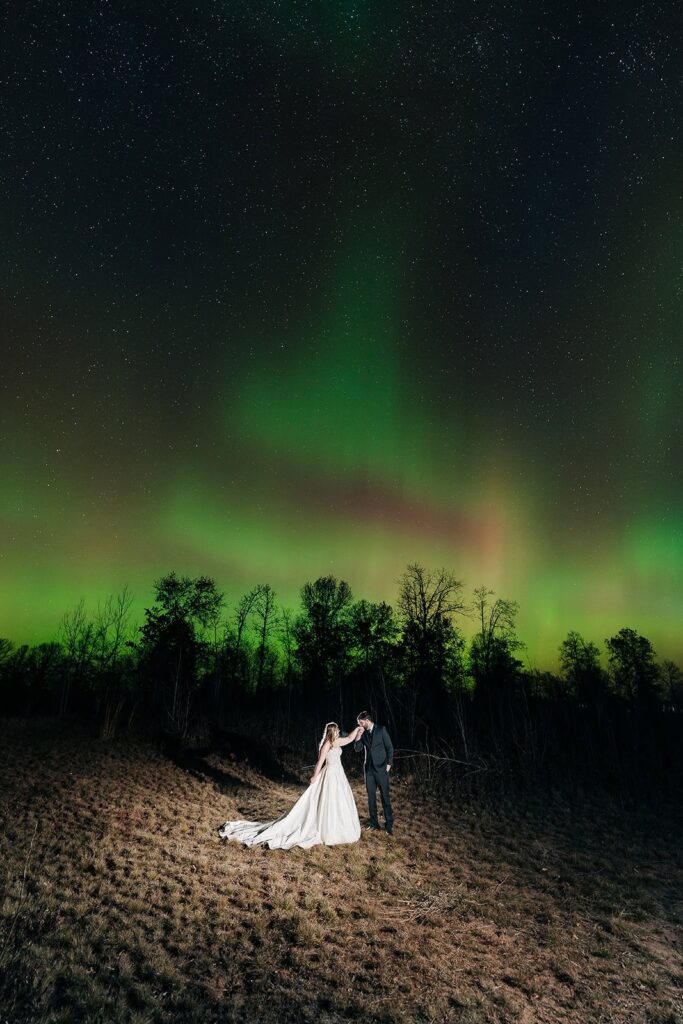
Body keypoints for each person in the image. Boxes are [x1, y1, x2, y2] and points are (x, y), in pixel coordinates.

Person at [218, 722, 362, 849]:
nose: (338, 732)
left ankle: (339, 828)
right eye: (336, 730)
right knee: (328, 801)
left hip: (338, 774)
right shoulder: (326, 745)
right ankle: (328, 830)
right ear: (332, 732)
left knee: (339, 801)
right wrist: (314, 776)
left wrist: (358, 728)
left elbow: (349, 738)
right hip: (330, 774)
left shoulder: (336, 742)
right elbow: (319, 763)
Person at [354, 711, 394, 835]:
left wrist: (389, 764)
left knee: (385, 798)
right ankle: (373, 823)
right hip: (369, 770)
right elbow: (357, 748)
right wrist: (358, 736)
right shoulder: (364, 733)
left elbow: (390, 747)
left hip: (382, 769)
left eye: (360, 722)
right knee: (371, 798)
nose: (359, 725)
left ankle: (389, 825)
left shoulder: (381, 730)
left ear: (366, 720)